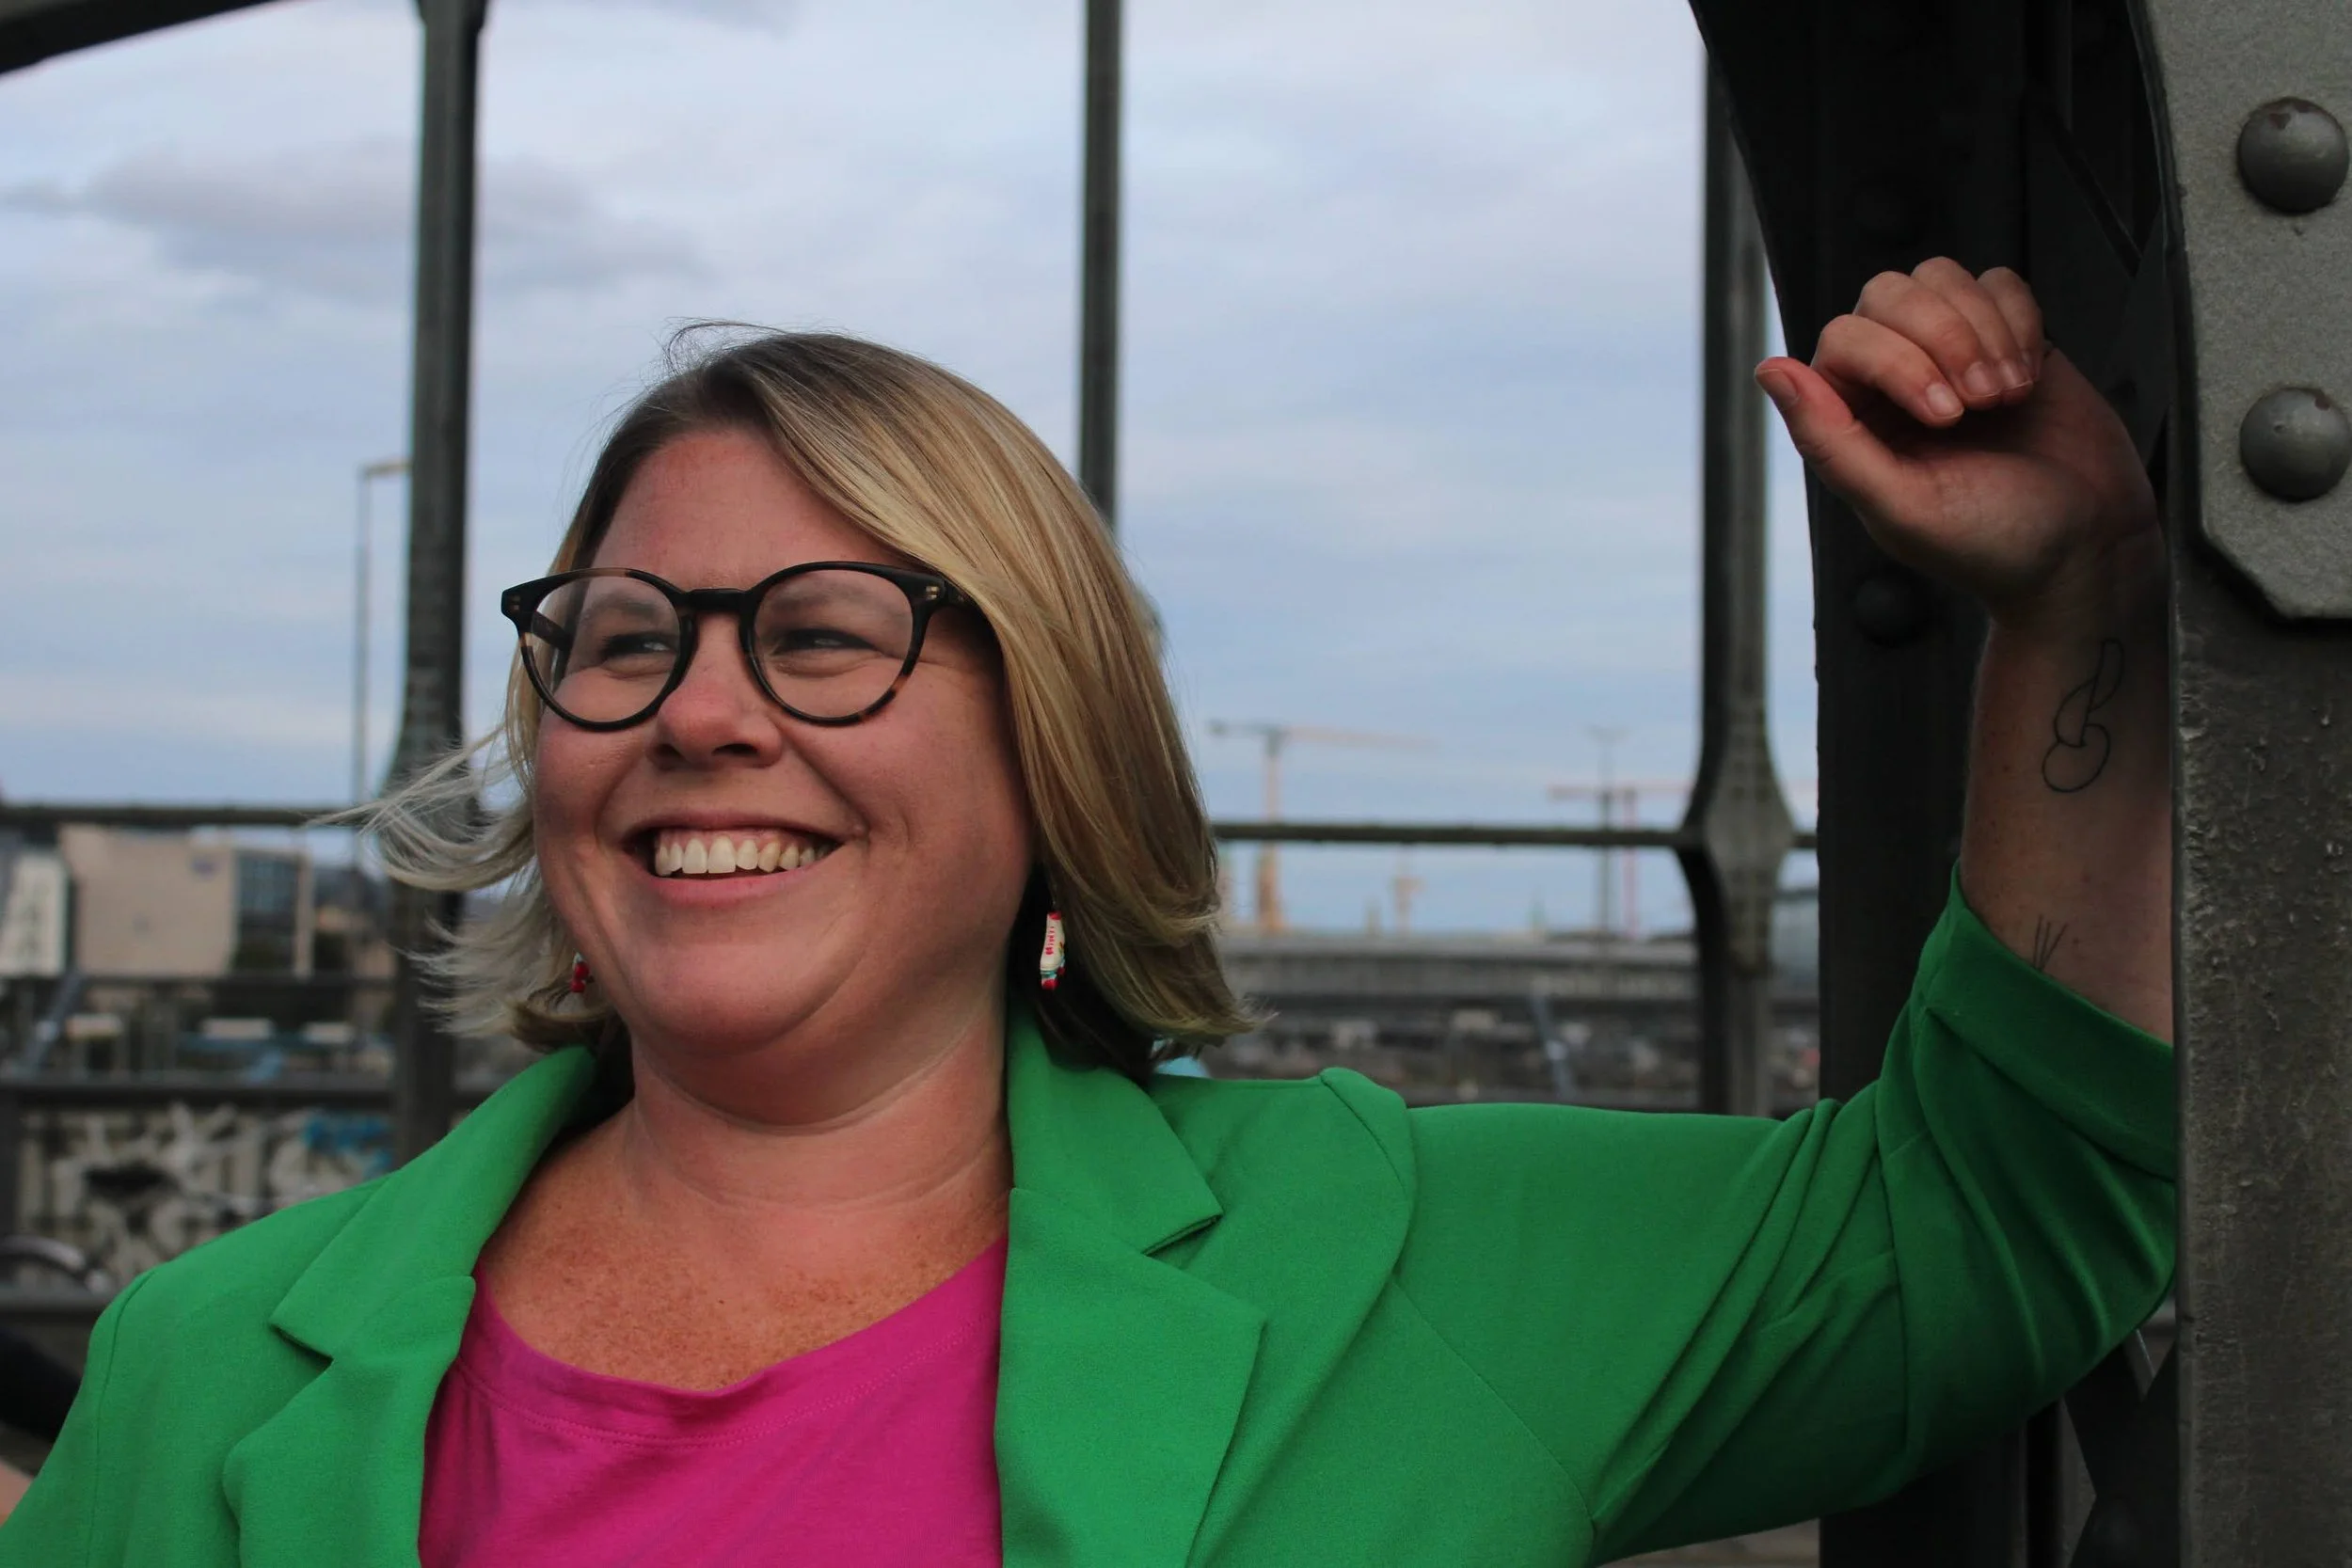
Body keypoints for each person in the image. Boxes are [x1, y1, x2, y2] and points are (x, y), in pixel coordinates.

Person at [0, 260, 2171, 1566]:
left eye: (830, 632)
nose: (701, 711)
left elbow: (1997, 1203)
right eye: (625, 633)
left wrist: (2067, 609)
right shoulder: (204, 1372)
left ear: (1051, 754)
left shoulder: (1406, 1265)